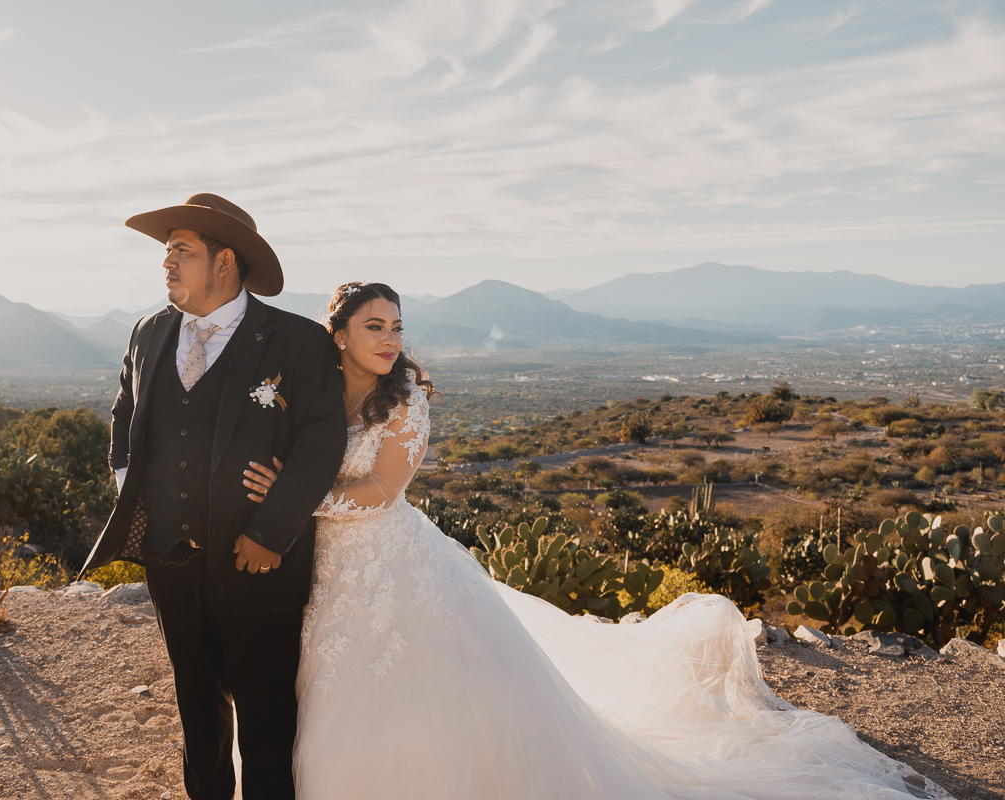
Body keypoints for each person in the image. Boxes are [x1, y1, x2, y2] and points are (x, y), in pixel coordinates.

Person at [246, 281, 952, 800]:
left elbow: (379, 493)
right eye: (375, 326)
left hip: (391, 561)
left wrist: (286, 500)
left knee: (409, 688)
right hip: (322, 565)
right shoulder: (311, 391)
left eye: (398, 325)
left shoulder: (407, 399)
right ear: (337, 334)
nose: (391, 339)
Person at [77, 193, 347, 800]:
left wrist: (271, 532)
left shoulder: (298, 342)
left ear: (223, 261)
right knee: (197, 708)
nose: (166, 262)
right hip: (171, 559)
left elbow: (321, 444)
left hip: (259, 561)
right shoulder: (149, 331)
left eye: (181, 250)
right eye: (167, 250)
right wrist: (134, 494)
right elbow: (124, 416)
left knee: (265, 715)